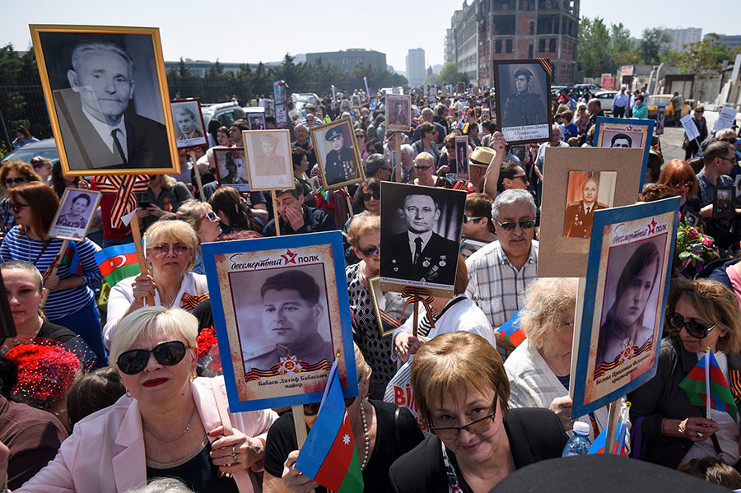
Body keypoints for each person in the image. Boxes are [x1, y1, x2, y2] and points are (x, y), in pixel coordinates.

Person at [18, 306, 277, 492]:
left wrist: (258, 449)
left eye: (168, 352)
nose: (151, 366)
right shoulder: (91, 436)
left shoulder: (233, 399)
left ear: (193, 359)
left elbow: (289, 437)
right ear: (121, 374)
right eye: (134, 360)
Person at [388, 331, 567, 492]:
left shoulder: (546, 433)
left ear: (501, 396)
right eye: (446, 417)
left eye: (476, 411)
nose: (466, 437)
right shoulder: (410, 480)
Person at [263, 343, 424, 493]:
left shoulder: (397, 426)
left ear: (365, 384)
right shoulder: (283, 435)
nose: (324, 415)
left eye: (339, 400)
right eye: (311, 405)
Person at [629, 279, 741, 469]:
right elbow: (633, 419)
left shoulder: (736, 357)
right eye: (678, 320)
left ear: (723, 329)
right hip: (679, 476)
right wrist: (676, 427)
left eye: (696, 326)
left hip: (732, 472)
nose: (683, 332)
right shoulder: (664, 358)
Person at [0, 183, 106, 364]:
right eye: (11, 206)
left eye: (18, 206)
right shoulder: (13, 237)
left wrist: (62, 284)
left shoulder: (71, 238)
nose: (12, 211)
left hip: (74, 317)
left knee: (91, 366)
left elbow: (101, 272)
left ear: (39, 207)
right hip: (32, 323)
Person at [505, 278, 608, 440]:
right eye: (581, 320)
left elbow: (619, 406)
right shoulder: (519, 375)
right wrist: (549, 422)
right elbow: (518, 441)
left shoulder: (593, 353)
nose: (591, 326)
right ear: (551, 325)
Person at [53, 41, 170, 170]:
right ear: (75, 81)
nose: (111, 88)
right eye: (97, 76)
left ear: (131, 89)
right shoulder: (66, 140)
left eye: (120, 80)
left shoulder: (158, 134)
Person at [103, 220, 208, 349]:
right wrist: (136, 304)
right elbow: (110, 341)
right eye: (161, 248)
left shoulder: (206, 285)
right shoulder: (124, 289)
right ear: (147, 255)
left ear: (191, 254)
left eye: (180, 247)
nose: (171, 254)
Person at [466, 189, 539, 360]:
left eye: (526, 223)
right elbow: (458, 322)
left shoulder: (553, 263)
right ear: (494, 225)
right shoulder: (475, 267)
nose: (518, 232)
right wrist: (490, 334)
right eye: (508, 225)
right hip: (496, 371)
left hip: (548, 372)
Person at [392, 255, 495, 365]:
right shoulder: (426, 304)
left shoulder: (470, 325)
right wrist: (400, 336)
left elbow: (470, 374)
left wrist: (427, 352)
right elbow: (405, 328)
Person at [344, 215, 397, 398]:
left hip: (405, 373)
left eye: (383, 246)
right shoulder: (348, 279)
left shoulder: (404, 272)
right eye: (370, 250)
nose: (379, 253)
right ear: (357, 252)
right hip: (370, 380)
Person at [242, 270, 334, 372]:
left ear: (317, 312)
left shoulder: (338, 356)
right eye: (270, 309)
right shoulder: (252, 366)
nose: (278, 319)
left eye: (290, 308)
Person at [594, 241, 660, 377]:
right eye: (636, 284)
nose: (639, 298)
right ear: (623, 285)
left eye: (647, 286)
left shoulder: (649, 338)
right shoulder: (598, 340)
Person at [382, 192, 459, 284]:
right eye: (412, 209)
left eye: (426, 210)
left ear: (436, 214)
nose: (419, 216)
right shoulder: (386, 244)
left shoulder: (452, 249)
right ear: (401, 213)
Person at [0, 260, 81, 344]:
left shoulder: (64, 342)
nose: (13, 301)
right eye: (4, 292)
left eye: (25, 291)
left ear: (41, 296)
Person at [262, 184, 336, 237]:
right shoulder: (272, 228)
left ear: (301, 199)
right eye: (277, 204)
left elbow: (328, 251)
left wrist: (301, 229)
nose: (282, 209)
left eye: (287, 202)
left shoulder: (322, 218)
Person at [175, 200, 222, 275]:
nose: (218, 218)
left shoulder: (224, 250)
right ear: (195, 226)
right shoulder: (183, 263)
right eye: (211, 216)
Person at [0, 161, 40, 235]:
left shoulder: (38, 201)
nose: (13, 184)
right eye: (9, 181)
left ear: (29, 180)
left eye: (18, 180)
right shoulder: (4, 204)